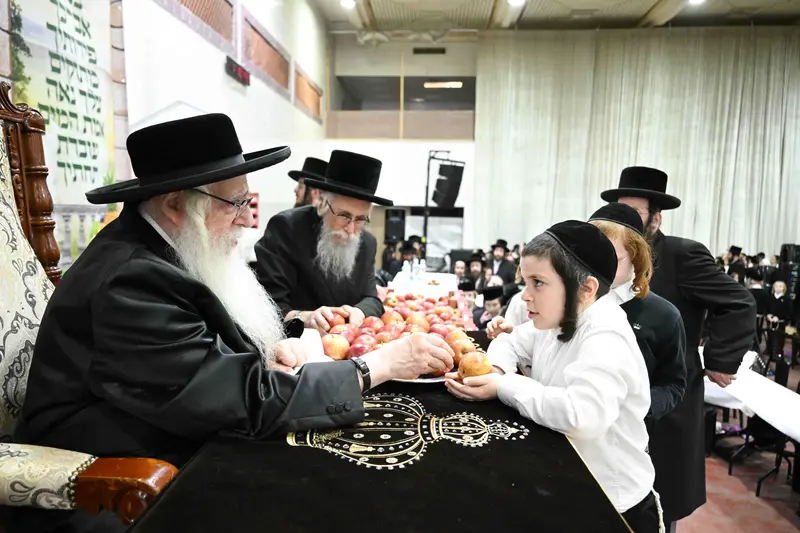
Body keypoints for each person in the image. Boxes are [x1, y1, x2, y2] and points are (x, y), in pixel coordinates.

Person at [12, 114, 454, 533]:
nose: (247, 218)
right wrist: (376, 366)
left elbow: (197, 354)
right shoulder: (130, 282)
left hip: (168, 435)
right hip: (114, 485)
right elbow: (244, 400)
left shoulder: (165, 248)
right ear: (175, 205)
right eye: (236, 203)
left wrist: (268, 350)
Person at [446, 221, 659, 531]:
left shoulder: (606, 334)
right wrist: (496, 370)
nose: (524, 296)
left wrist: (504, 385)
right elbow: (510, 341)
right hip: (572, 484)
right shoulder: (560, 317)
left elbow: (582, 415)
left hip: (613, 505)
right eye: (525, 282)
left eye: (538, 283)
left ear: (586, 289)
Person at [602, 166, 756, 527]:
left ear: (656, 219)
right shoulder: (607, 255)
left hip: (666, 394)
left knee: (658, 499)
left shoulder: (682, 255)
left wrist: (720, 360)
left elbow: (739, 302)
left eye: (634, 212)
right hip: (613, 395)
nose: (623, 219)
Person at [255, 150, 391, 333]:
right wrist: (305, 317)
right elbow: (269, 304)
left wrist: (359, 311)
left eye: (360, 219)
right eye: (344, 216)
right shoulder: (287, 228)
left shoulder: (367, 242)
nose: (351, 229)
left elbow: (372, 299)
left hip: (349, 341)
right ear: (322, 203)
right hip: (296, 342)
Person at [588, 203, 687, 427]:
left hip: (625, 430)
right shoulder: (570, 300)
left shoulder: (664, 315)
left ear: (636, 256)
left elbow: (673, 383)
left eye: (611, 257)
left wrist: (639, 407)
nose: (597, 265)